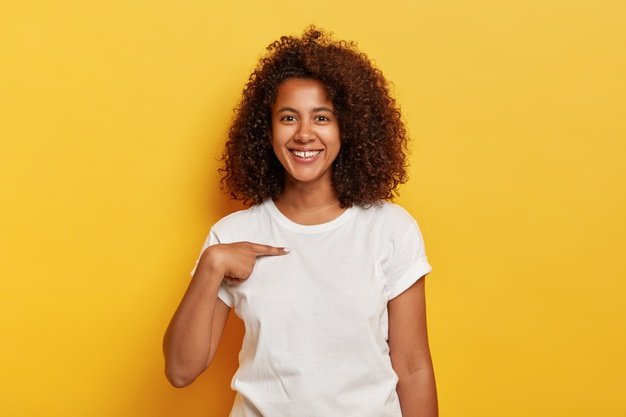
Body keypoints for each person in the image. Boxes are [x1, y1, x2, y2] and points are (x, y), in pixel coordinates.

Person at [163, 26, 438, 417]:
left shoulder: (390, 229)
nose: (304, 134)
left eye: (322, 117)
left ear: (348, 128)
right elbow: (180, 370)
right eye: (288, 117)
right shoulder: (232, 236)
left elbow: (412, 367)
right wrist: (211, 267)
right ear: (267, 130)